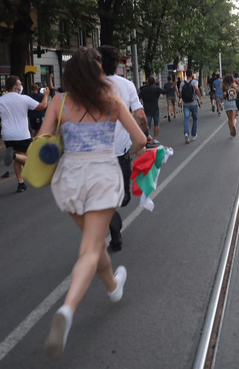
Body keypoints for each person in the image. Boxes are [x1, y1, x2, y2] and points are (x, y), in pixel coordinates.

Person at [38, 47, 147, 359]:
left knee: (95, 243)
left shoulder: (59, 102)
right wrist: (140, 155)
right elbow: (139, 139)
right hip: (101, 173)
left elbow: (42, 141)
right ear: (99, 73)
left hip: (69, 178)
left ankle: (113, 287)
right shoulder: (111, 100)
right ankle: (68, 309)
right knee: (90, 248)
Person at [98, 45, 151, 252]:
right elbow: (140, 116)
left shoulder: (90, 85)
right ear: (117, 63)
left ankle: (111, 220)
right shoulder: (127, 85)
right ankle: (115, 233)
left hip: (94, 151)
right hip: (119, 151)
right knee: (124, 197)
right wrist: (145, 135)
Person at [0, 75, 50, 192]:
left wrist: (2, 114)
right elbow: (42, 106)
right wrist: (46, 96)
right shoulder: (24, 99)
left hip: (7, 135)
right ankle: (14, 156)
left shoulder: (0, 100)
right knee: (29, 159)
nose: (21, 85)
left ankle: (21, 184)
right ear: (16, 87)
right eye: (20, 83)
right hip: (22, 134)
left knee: (18, 159)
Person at [139, 76, 164, 145]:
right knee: (156, 124)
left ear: (147, 82)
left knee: (147, 125)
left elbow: (138, 96)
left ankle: (146, 138)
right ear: (154, 82)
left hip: (147, 109)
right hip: (155, 108)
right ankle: (155, 139)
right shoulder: (157, 88)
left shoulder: (143, 89)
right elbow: (164, 92)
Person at [181, 71, 203, 143]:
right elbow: (196, 89)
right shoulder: (194, 82)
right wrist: (200, 97)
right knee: (195, 119)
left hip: (186, 104)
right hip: (194, 103)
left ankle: (186, 133)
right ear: (192, 75)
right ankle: (193, 134)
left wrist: (181, 100)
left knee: (186, 119)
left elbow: (180, 93)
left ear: (186, 75)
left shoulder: (182, 83)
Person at [222, 71, 239, 137]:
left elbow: (224, 94)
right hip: (234, 103)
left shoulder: (224, 87)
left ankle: (231, 131)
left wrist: (223, 97)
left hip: (227, 103)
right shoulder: (235, 87)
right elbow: (238, 94)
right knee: (234, 118)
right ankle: (234, 126)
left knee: (229, 119)